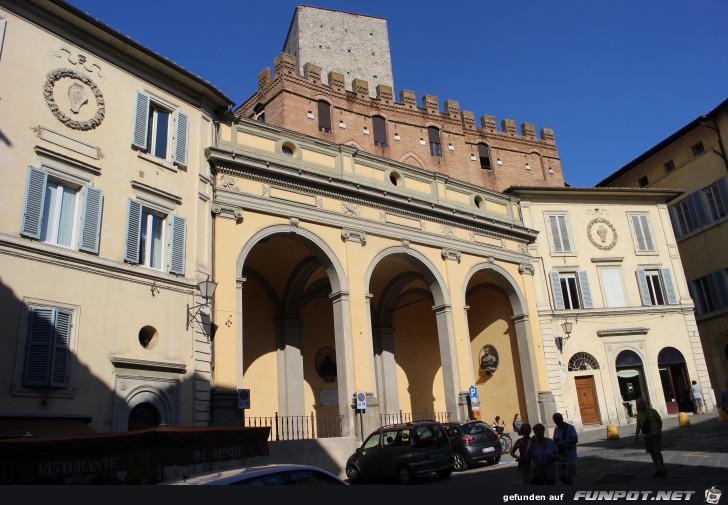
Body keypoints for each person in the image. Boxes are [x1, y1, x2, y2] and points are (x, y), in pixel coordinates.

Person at [635, 397, 666, 477]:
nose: (643, 405)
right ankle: (658, 469)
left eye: (644, 403)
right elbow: (638, 425)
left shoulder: (653, 411)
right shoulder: (639, 415)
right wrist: (637, 435)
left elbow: (659, 421)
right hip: (647, 436)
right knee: (652, 453)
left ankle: (663, 468)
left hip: (655, 434)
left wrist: (659, 431)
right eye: (641, 404)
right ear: (638, 405)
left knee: (657, 451)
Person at [552, 412, 578, 484]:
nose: (556, 422)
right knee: (560, 476)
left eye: (557, 420)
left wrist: (564, 442)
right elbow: (554, 440)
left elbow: (575, 439)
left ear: (561, 419)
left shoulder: (570, 427)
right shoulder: (556, 429)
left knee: (567, 475)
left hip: (570, 456)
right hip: (560, 456)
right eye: (555, 420)